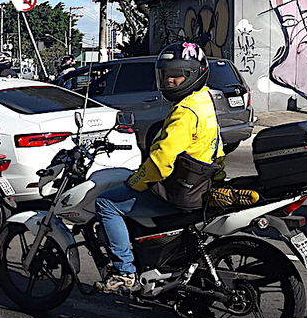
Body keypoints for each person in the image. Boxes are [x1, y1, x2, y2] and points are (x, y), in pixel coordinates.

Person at [93, 41, 224, 293]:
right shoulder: (203, 100)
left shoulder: (185, 111)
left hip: (180, 191)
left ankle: (124, 272)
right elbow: (216, 144)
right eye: (165, 76)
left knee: (107, 203)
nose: (169, 81)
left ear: (193, 75)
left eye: (176, 75)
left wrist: (136, 181)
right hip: (201, 182)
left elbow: (161, 162)